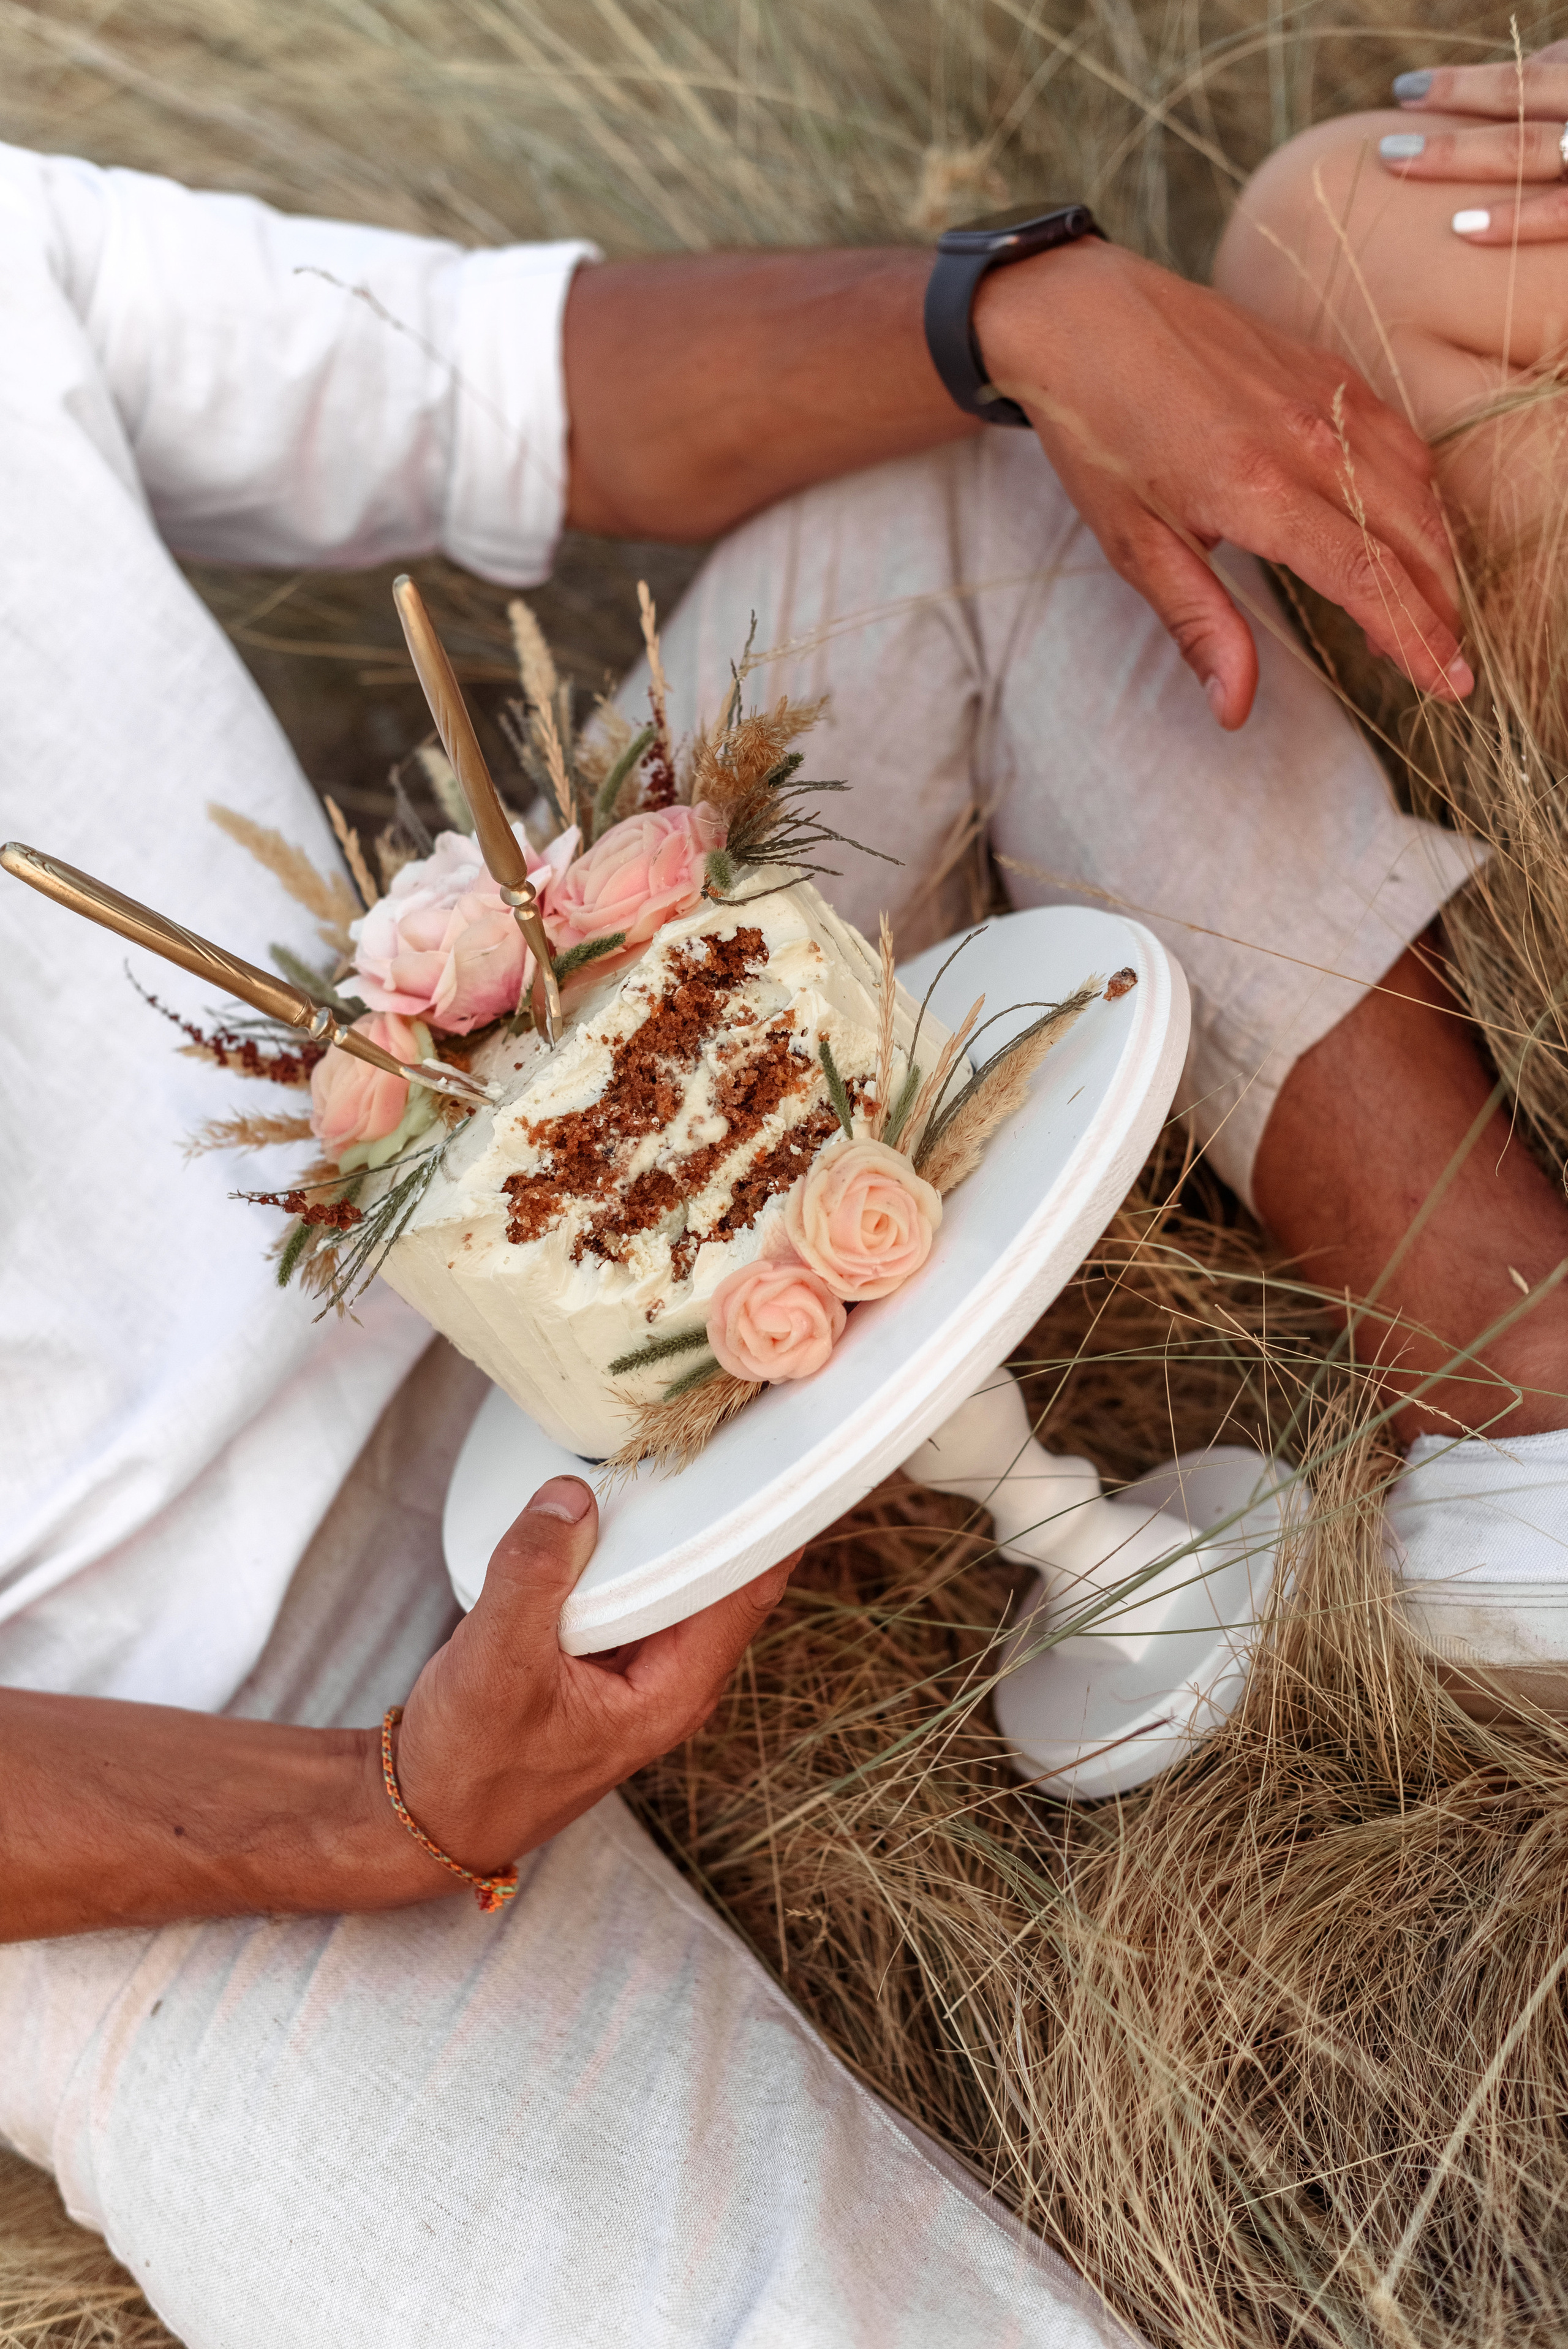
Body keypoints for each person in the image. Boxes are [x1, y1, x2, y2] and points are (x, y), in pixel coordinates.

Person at [0, 64, 1558, 2334]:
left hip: (510, 1179)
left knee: (951, 495)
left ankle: (1522, 1395)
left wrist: (1010, 312)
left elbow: (480, 387)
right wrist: (382, 1811)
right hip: (174, 1723)